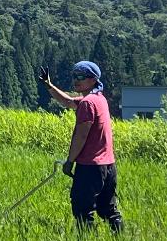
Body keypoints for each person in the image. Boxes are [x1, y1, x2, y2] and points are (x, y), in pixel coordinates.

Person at [39, 61, 123, 231]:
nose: (76, 80)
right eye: (75, 76)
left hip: (90, 167)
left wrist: (70, 161)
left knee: (83, 211)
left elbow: (81, 135)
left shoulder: (87, 103)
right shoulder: (99, 99)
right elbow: (69, 102)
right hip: (108, 166)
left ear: (93, 79)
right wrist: (49, 86)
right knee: (108, 210)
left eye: (81, 77)